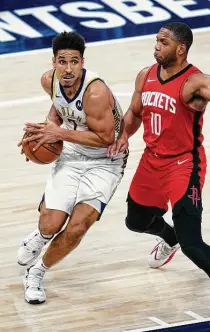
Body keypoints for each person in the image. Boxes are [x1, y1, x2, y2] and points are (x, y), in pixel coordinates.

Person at [108, 22, 210, 330]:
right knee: (135, 220)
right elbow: (135, 113)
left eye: (163, 42)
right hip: (151, 161)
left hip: (183, 166)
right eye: (156, 40)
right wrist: (123, 135)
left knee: (193, 242)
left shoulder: (195, 82)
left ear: (180, 49)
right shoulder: (145, 75)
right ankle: (169, 238)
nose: (156, 46)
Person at [17, 31, 128, 305]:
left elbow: (105, 138)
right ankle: (41, 234)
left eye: (74, 62)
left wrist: (59, 135)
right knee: (51, 223)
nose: (68, 69)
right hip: (73, 149)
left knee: (78, 227)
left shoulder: (96, 93)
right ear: (53, 62)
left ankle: (37, 272)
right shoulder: (49, 81)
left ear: (83, 62)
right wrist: (45, 129)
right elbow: (58, 105)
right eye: (62, 61)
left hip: (106, 158)